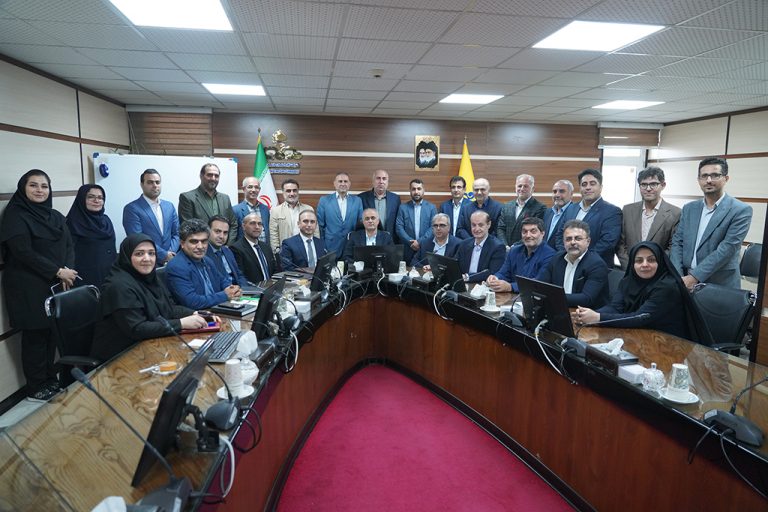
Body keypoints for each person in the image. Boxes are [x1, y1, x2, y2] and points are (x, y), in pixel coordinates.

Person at [0, 170, 77, 400]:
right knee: (35, 336)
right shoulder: (15, 216)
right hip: (28, 286)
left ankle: (49, 378)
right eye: (33, 185)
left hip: (56, 283)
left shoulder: (55, 215)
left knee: (52, 332)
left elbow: (69, 245)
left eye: (44, 186)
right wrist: (58, 271)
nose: (40, 190)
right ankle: (36, 386)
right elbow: (23, 252)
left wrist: (67, 271)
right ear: (23, 188)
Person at [91, 234, 209, 362]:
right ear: (127, 256)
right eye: (139, 254)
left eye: (151, 253)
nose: (147, 259)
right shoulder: (118, 286)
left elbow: (169, 308)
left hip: (149, 345)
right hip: (120, 356)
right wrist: (181, 323)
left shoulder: (151, 278)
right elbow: (138, 329)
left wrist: (194, 313)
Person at [573, 242, 692, 340]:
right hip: (637, 335)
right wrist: (588, 314)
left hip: (668, 342)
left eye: (651, 260)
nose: (645, 264)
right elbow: (615, 308)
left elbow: (640, 318)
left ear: (660, 262)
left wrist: (598, 317)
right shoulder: (628, 281)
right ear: (632, 264)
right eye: (639, 261)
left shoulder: (668, 286)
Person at [670, 157, 752, 290]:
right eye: (704, 176)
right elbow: (677, 242)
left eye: (715, 175)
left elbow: (727, 249)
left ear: (726, 178)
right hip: (684, 279)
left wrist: (694, 277)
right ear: (699, 180)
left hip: (719, 284)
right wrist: (678, 276)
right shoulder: (689, 208)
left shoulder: (740, 210)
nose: (708, 180)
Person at [165, 219, 242, 309]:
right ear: (182, 243)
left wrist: (233, 290)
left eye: (204, 241)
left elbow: (222, 281)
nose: (200, 246)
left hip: (217, 309)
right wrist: (225, 295)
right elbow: (193, 302)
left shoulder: (207, 260)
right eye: (194, 242)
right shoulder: (176, 267)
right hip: (197, 315)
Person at [617, 166, 681, 270]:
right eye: (644, 184)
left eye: (653, 184)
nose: (648, 189)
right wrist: (630, 267)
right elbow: (620, 244)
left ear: (663, 185)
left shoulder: (675, 213)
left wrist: (651, 266)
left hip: (658, 271)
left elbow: (673, 248)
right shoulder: (627, 210)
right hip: (630, 270)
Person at [537, 219, 609, 308]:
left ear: (588, 241)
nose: (573, 242)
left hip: (585, 313)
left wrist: (551, 296)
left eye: (578, 239)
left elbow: (586, 299)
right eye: (568, 239)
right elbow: (541, 285)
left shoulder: (597, 265)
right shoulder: (557, 258)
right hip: (559, 309)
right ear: (563, 242)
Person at [557, 168, 622, 267]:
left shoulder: (612, 211)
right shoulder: (571, 208)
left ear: (601, 187)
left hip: (595, 266)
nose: (588, 187)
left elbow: (607, 243)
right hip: (567, 264)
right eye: (584, 184)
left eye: (592, 184)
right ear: (580, 188)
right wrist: (567, 256)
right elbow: (559, 235)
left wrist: (580, 260)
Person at [122, 169, 180, 265]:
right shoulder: (132, 209)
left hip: (172, 261)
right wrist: (164, 255)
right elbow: (137, 239)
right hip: (147, 262)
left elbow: (177, 233)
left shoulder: (169, 206)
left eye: (157, 182)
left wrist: (171, 253)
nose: (155, 185)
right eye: (150, 182)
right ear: (142, 185)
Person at [66, 184, 116, 288]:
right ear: (81, 199)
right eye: (91, 197)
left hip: (109, 274)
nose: (96, 201)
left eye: (100, 198)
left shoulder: (106, 220)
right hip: (84, 278)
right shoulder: (72, 223)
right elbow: (67, 253)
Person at [487, 217, 555, 293]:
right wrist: (495, 278)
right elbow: (503, 273)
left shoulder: (550, 255)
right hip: (511, 297)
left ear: (542, 233)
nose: (528, 235)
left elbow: (538, 283)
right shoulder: (514, 251)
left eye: (533, 231)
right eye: (524, 232)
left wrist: (510, 287)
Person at [178, 163, 238, 244]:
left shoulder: (225, 198)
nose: (213, 178)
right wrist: (203, 245)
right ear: (201, 176)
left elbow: (233, 224)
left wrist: (227, 245)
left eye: (216, 176)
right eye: (210, 175)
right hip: (200, 248)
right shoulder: (187, 198)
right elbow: (187, 228)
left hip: (223, 248)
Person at [316, 172, 363, 259]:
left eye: (345, 181)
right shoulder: (324, 200)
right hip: (330, 246)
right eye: (340, 181)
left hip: (351, 245)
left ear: (349, 184)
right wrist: (322, 245)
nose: (343, 184)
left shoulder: (357, 201)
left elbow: (360, 224)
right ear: (334, 184)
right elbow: (320, 225)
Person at [455, 211, 505, 283]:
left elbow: (492, 272)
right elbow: (455, 265)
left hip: (483, 286)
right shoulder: (464, 244)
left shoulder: (498, 247)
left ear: (489, 224)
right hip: (462, 284)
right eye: (473, 225)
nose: (476, 229)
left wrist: (467, 277)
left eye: (480, 225)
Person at [497, 174, 546, 247]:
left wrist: (515, 247)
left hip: (526, 249)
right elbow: (500, 228)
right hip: (505, 249)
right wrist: (505, 245)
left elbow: (535, 231)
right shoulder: (507, 206)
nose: (522, 189)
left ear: (533, 189)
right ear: (515, 187)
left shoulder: (540, 208)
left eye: (526, 186)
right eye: (519, 186)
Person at [395, 178, 437, 263]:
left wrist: (419, 242)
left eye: (419, 189)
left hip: (425, 248)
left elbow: (433, 227)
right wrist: (410, 242)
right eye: (413, 189)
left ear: (423, 190)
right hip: (407, 248)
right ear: (410, 191)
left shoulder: (431, 208)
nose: (416, 192)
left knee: (424, 270)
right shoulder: (403, 208)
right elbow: (399, 228)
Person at [231, 213, 280, 282]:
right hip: (252, 288)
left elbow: (275, 270)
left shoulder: (266, 247)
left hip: (271, 286)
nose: (257, 227)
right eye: (252, 223)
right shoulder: (236, 249)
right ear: (243, 226)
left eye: (259, 224)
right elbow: (241, 278)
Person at [270, 179, 313, 252]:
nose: (292, 193)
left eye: (294, 190)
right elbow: (273, 235)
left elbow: (315, 232)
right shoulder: (275, 211)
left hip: (306, 250)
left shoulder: (308, 209)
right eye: (288, 191)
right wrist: (277, 252)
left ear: (298, 191)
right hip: (285, 251)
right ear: (283, 192)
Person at [358, 169, 400, 239]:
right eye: (378, 178)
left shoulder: (395, 199)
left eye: (384, 179)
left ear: (387, 182)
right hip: (368, 239)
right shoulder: (361, 198)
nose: (381, 181)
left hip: (389, 240)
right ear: (373, 181)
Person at [207, 215, 249, 286]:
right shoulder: (203, 253)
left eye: (225, 233)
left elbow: (239, 275)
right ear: (208, 231)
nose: (221, 236)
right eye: (217, 231)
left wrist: (245, 290)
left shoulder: (227, 251)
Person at [232, 176, 270, 243]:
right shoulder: (236, 210)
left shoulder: (265, 209)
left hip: (264, 247)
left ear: (259, 189)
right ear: (243, 189)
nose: (253, 190)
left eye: (256, 187)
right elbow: (233, 234)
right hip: (245, 248)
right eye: (250, 187)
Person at [544, 179, 575, 249]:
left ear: (571, 194)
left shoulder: (575, 213)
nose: (557, 195)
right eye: (554, 191)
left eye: (562, 191)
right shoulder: (547, 212)